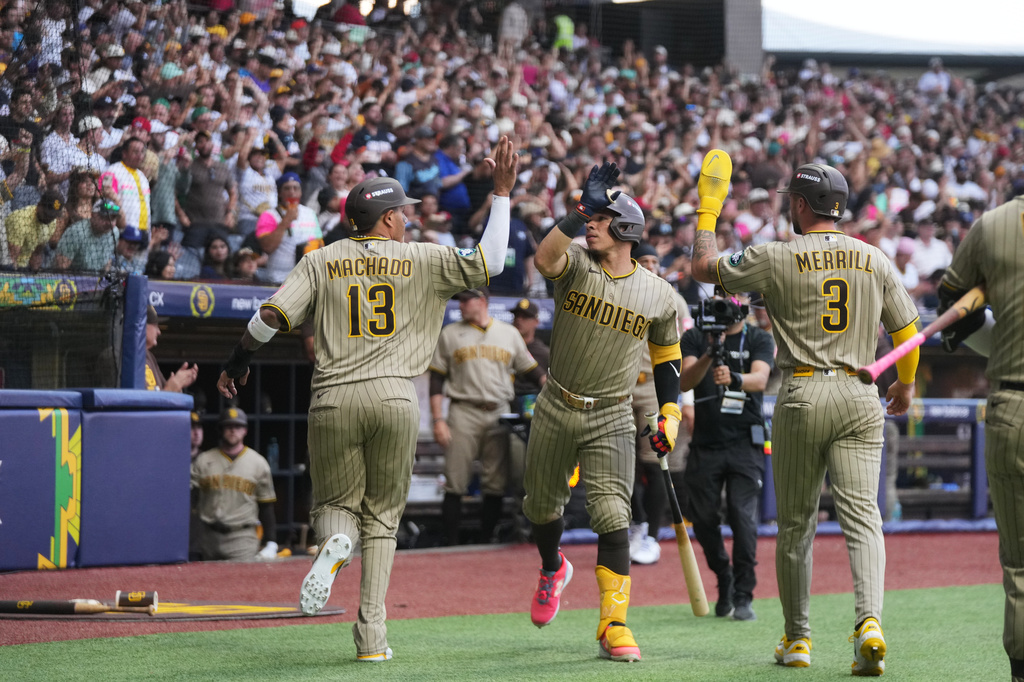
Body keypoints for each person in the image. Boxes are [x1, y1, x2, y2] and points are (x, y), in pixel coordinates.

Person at [215, 137, 519, 662]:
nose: (408, 218)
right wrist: (502, 193)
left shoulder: (321, 259)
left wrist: (238, 360)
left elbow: (267, 318)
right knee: (382, 520)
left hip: (334, 395)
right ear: (384, 220)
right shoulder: (423, 259)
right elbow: (491, 260)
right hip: (397, 397)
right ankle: (372, 638)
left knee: (335, 507)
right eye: (401, 212)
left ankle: (335, 545)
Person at [689, 153, 920, 675]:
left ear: (798, 204)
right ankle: (870, 622)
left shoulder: (776, 255)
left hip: (802, 392)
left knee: (796, 525)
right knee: (864, 517)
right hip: (862, 394)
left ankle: (797, 639)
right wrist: (903, 386)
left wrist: (708, 207)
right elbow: (908, 338)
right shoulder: (874, 257)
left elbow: (702, 269)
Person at [522, 162, 683, 663]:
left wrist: (670, 413)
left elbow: (667, 358)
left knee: (614, 516)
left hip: (612, 414)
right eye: (589, 216)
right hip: (555, 403)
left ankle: (614, 624)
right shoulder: (574, 262)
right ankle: (553, 567)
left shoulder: (658, 294)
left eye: (600, 217)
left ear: (627, 229)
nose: (591, 223)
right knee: (541, 508)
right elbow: (543, 258)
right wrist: (577, 212)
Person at [937, 193, 1024, 682]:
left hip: (1015, 403)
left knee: (1021, 563)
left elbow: (954, 312)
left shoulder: (994, 225)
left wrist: (1004, 333)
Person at [679, 287, 774, 620]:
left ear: (747, 302)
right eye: (723, 294)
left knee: (742, 515)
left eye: (736, 295)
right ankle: (724, 575)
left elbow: (761, 379)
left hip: (745, 443)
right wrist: (710, 352)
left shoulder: (759, 339)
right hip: (705, 443)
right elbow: (685, 382)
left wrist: (735, 377)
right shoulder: (695, 336)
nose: (729, 301)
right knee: (703, 518)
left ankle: (744, 593)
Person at [428, 286, 544, 546]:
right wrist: (438, 420)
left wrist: (553, 387)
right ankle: (451, 544)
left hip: (499, 412)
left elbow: (532, 370)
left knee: (495, 482)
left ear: (482, 301)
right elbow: (437, 379)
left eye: (466, 300)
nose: (461, 305)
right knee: (455, 480)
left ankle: (485, 542)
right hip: (463, 410)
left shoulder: (509, 333)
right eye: (460, 301)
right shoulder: (450, 334)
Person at [628, 242, 694, 567]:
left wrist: (688, 398)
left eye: (655, 260)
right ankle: (636, 522)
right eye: (645, 260)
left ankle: (652, 533)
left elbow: (687, 352)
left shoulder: (673, 298)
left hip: (656, 387)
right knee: (621, 462)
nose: (652, 265)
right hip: (622, 387)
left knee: (656, 462)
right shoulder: (622, 290)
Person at [190, 407, 280, 561]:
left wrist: (271, 541)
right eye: (228, 426)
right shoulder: (203, 460)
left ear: (245, 430)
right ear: (221, 430)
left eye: (238, 426)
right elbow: (191, 502)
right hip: (207, 537)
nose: (233, 431)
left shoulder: (258, 463)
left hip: (242, 538)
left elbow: (266, 505)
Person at [255, 172, 322, 284]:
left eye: (296, 188)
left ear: (301, 192)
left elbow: (320, 243)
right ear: (280, 193)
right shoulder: (268, 215)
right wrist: (286, 220)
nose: (292, 192)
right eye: (287, 188)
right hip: (278, 280)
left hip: (306, 280)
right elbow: (267, 247)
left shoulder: (310, 213)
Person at [144, 304, 198, 392]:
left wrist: (178, 383)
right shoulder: (129, 357)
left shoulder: (149, 356)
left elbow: (165, 394)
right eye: (155, 325)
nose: (159, 332)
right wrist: (170, 388)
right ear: (142, 325)